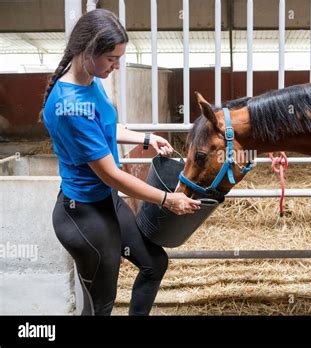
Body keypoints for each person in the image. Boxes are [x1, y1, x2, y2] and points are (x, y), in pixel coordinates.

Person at [40, 9, 201, 315]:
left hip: (106, 202)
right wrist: (169, 199)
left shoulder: (89, 78)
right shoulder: (69, 105)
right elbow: (112, 175)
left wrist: (145, 138)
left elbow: (102, 128)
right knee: (101, 306)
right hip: (84, 215)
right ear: (88, 51)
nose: (117, 65)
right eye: (112, 58)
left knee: (154, 264)